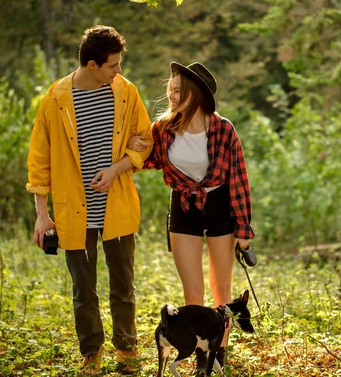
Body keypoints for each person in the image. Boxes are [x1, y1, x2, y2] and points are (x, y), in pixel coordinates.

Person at [26, 25, 153, 375]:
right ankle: (91, 352)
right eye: (114, 65)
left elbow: (144, 139)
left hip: (118, 206)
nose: (119, 71)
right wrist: (42, 214)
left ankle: (127, 350)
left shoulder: (126, 93)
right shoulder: (55, 100)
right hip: (73, 211)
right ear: (93, 64)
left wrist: (118, 167)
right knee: (84, 289)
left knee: (123, 285)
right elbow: (40, 160)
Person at [127, 61, 254, 375]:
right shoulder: (163, 128)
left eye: (177, 91)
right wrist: (132, 146)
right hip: (183, 208)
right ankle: (201, 357)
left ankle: (219, 353)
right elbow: (144, 160)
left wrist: (243, 227)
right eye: (169, 90)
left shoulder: (223, 128)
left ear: (195, 95)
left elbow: (239, 178)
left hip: (220, 206)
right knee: (193, 292)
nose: (170, 96)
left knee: (221, 290)